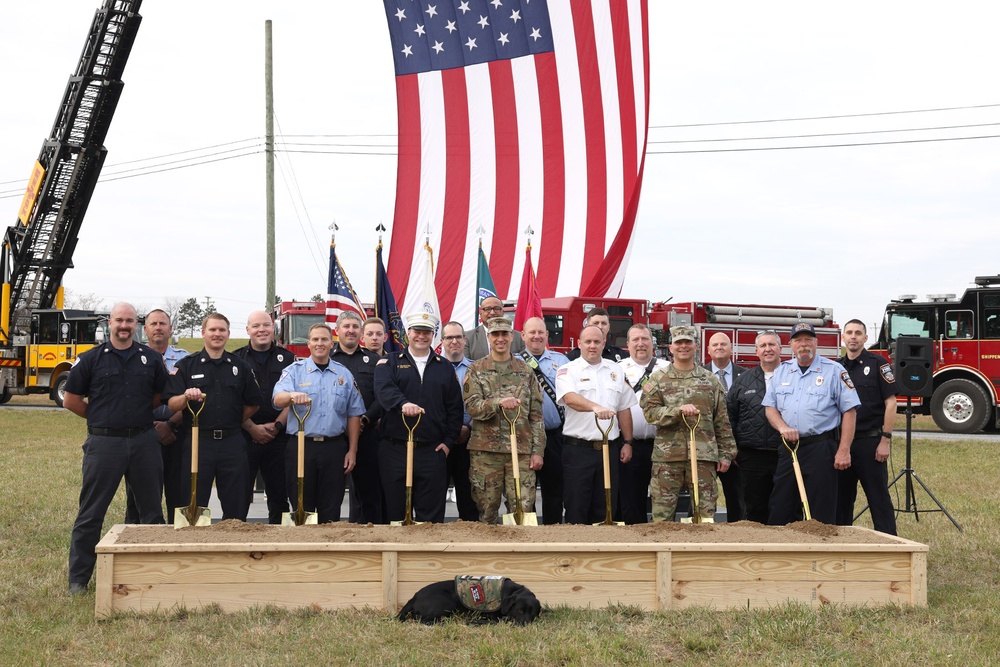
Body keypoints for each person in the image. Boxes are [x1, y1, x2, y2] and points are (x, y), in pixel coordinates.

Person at [64, 302, 168, 594]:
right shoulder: (90, 359)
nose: (124, 326)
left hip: (144, 442)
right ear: (109, 323)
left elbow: (158, 396)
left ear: (137, 325)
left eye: (130, 321)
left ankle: (153, 577)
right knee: (91, 513)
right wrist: (101, 420)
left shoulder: (150, 358)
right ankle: (78, 581)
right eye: (119, 320)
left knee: (151, 513)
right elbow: (71, 399)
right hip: (104, 444)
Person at [163, 313, 261, 522]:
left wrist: (233, 419)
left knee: (236, 506)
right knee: (192, 505)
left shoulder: (240, 367)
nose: (217, 334)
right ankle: (192, 551)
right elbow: (172, 403)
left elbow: (254, 403)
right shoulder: (187, 365)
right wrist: (186, 397)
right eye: (213, 330)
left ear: (227, 333)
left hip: (232, 442)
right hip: (199, 442)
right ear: (203, 333)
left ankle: (233, 550)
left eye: (222, 330)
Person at [763, 321, 860, 525]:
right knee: (780, 506)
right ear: (791, 345)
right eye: (798, 340)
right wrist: (783, 427)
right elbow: (770, 407)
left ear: (816, 343)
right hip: (789, 449)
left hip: (821, 448)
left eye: (808, 339)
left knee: (821, 510)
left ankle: (820, 554)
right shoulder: (782, 372)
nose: (803, 344)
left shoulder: (834, 371)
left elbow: (850, 412)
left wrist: (844, 450)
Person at [374, 312, 464, 523]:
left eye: (426, 332)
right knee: (394, 513)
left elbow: (454, 408)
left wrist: (448, 442)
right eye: (417, 331)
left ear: (433, 335)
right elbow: (384, 389)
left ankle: (428, 556)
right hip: (395, 449)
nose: (421, 337)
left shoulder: (444, 367)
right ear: (408, 333)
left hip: (431, 451)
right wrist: (403, 403)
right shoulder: (390, 362)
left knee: (430, 518)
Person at [640, 325, 735, 522]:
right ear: (671, 347)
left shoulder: (710, 380)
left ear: (696, 346)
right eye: (678, 342)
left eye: (687, 342)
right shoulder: (657, 379)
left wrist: (726, 453)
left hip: (703, 457)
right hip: (667, 458)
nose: (683, 346)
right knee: (662, 518)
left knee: (704, 517)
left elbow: (721, 420)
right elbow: (650, 413)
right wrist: (677, 412)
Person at [273, 323, 365, 523]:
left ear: (332, 344)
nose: (320, 343)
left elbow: (354, 414)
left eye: (324, 339)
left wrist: (352, 451)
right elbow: (277, 399)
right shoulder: (294, 371)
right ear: (309, 344)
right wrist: (291, 395)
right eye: (315, 339)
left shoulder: (344, 375)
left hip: (334, 449)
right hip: (300, 447)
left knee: (331, 508)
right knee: (300, 507)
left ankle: (326, 553)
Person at [464, 318, 545, 524]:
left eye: (504, 334)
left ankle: (520, 553)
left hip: (521, 452)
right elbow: (472, 407)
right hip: (486, 454)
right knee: (486, 510)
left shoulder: (525, 371)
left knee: (522, 510)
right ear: (489, 338)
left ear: (512, 337)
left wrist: (538, 451)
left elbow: (536, 414)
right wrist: (498, 403)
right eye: (495, 334)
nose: (500, 339)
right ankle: (486, 555)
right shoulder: (475, 370)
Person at [555, 325, 636, 524]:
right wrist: (595, 407)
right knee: (577, 507)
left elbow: (624, 407)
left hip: (609, 449)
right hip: (578, 451)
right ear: (579, 344)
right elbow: (569, 398)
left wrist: (627, 442)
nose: (592, 346)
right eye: (588, 342)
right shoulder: (567, 370)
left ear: (603, 344)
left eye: (597, 342)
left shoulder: (616, 370)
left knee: (607, 507)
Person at [124, 308, 188, 524]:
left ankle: (178, 547)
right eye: (153, 324)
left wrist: (170, 424)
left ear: (170, 329)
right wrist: (152, 427)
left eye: (162, 324)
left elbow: (193, 398)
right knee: (138, 499)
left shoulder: (185, 360)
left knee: (179, 497)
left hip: (178, 435)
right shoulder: (132, 357)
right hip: (142, 435)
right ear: (145, 329)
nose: (158, 328)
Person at [836, 319, 898, 535]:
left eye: (858, 333)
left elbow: (891, 403)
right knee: (841, 500)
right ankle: (842, 544)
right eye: (849, 332)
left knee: (878, 498)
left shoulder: (878, 364)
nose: (853, 336)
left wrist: (885, 440)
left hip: (870, 443)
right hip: (842, 444)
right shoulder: (836, 367)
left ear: (865, 338)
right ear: (843, 337)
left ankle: (890, 546)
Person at [232, 310, 293, 524]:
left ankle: (281, 546)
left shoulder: (289, 359)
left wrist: (276, 426)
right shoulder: (235, 359)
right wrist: (251, 427)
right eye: (256, 326)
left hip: (279, 438)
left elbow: (293, 399)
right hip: (244, 438)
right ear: (247, 330)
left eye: (266, 325)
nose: (261, 330)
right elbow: (231, 402)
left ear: (273, 327)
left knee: (279, 498)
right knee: (239, 498)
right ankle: (235, 544)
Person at [330, 311, 386, 524]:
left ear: (361, 332)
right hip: (334, 436)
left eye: (355, 326)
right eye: (346, 326)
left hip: (367, 434)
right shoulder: (328, 359)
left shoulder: (375, 361)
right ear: (338, 331)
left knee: (369, 492)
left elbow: (382, 396)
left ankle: (371, 539)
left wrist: (364, 420)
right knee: (332, 493)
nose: (351, 330)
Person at [727, 331, 783, 523]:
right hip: (751, 456)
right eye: (763, 346)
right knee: (754, 509)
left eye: (772, 345)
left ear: (780, 349)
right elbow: (730, 416)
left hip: (784, 453)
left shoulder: (793, 377)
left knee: (784, 506)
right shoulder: (743, 380)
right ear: (756, 351)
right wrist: (733, 448)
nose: (768, 349)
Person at [618, 323, 670, 524]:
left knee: (663, 499)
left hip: (663, 445)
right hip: (630, 445)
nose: (641, 344)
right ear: (628, 344)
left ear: (652, 343)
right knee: (631, 499)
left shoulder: (667, 368)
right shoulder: (617, 369)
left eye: (645, 339)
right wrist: (626, 442)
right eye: (636, 340)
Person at [519, 316, 569, 524]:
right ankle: (527, 539)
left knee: (554, 489)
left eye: (541, 332)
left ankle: (553, 534)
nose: (537, 336)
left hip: (554, 436)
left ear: (547, 335)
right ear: (523, 336)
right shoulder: (514, 362)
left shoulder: (562, 361)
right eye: (532, 332)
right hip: (523, 436)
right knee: (523, 492)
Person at [705, 331, 748, 522]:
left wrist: (737, 447)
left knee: (738, 499)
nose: (719, 348)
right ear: (708, 350)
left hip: (736, 451)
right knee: (704, 501)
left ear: (731, 348)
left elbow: (748, 415)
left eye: (723, 344)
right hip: (705, 448)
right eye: (715, 345)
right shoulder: (699, 375)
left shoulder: (746, 376)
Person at [439, 320, 479, 521]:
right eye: (449, 337)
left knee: (469, 498)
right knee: (435, 498)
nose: (454, 341)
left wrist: (467, 428)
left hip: (469, 441)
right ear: (442, 341)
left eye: (458, 337)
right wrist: (450, 433)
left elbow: (484, 403)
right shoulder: (432, 368)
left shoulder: (477, 369)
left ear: (465, 340)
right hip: (440, 442)